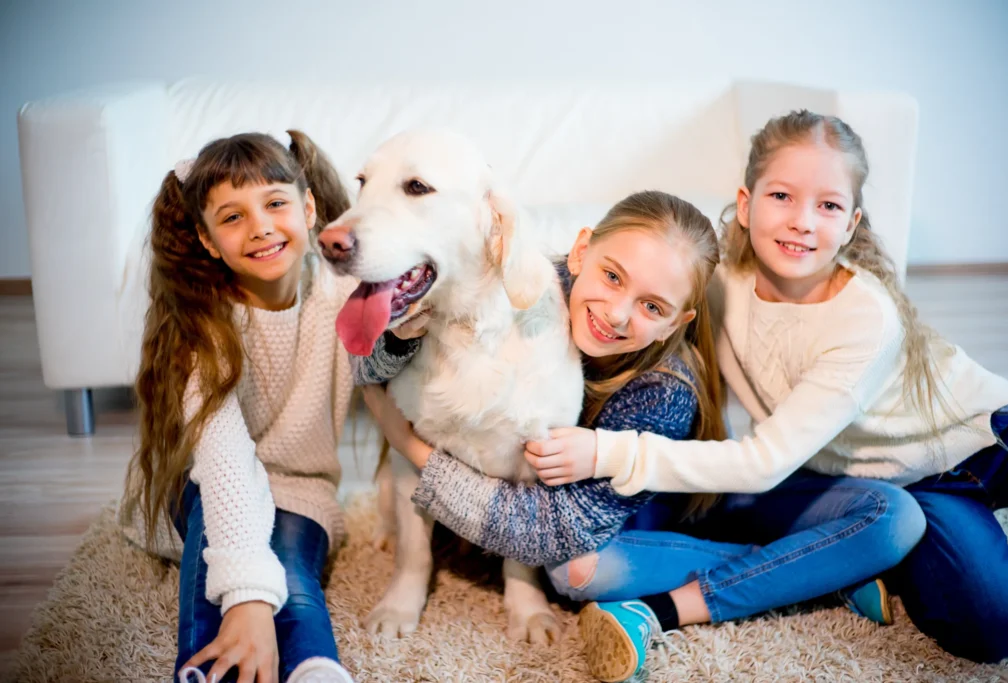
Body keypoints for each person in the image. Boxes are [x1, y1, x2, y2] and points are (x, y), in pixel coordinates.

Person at [519, 110, 1008, 669]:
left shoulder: (865, 319)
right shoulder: (716, 283)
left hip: (987, 441)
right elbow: (618, 271)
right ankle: (826, 568)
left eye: (828, 205)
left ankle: (663, 610)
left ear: (852, 223)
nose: (803, 221)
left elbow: (760, 465)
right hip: (855, 481)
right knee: (580, 568)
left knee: (994, 629)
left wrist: (605, 453)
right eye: (782, 195)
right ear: (745, 203)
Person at [358, 189, 924, 682]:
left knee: (575, 570)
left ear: (679, 320)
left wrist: (410, 447)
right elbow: (378, 349)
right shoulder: (528, 289)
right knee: (574, 563)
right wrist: (394, 353)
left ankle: (799, 570)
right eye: (610, 276)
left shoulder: (663, 389)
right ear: (580, 251)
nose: (618, 313)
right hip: (616, 511)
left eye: (652, 305)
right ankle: (811, 568)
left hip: (649, 514)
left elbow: (553, 533)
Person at [121, 130, 357, 683]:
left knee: (293, 576)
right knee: (222, 584)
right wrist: (247, 599)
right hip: (201, 484)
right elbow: (223, 460)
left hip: (300, 484)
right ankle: (209, 671)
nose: (261, 227)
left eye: (276, 203)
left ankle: (316, 671)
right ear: (206, 240)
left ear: (309, 207)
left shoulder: (342, 293)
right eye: (232, 217)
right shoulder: (201, 324)